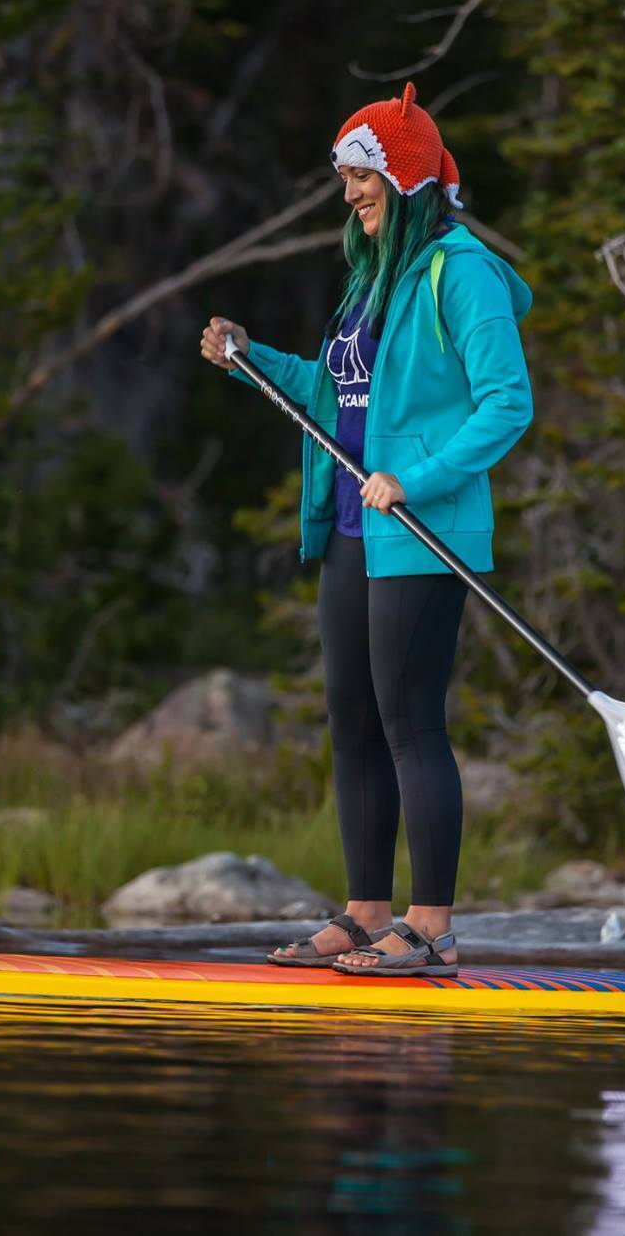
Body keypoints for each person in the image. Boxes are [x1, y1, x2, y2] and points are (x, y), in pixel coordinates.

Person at [199, 82, 533, 977]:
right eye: (344, 177)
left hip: (423, 533)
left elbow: (508, 402)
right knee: (351, 719)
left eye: (360, 175)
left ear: (407, 175)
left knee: (411, 721)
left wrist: (416, 479)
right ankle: (365, 913)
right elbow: (336, 393)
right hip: (354, 527)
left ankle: (432, 926)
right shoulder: (370, 274)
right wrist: (249, 357)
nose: (348, 193)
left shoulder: (457, 270)